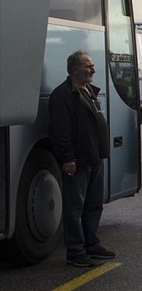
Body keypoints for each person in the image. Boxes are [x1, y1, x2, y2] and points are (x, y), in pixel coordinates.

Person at [48, 50, 115, 267]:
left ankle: (91, 245)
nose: (93, 70)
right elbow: (60, 130)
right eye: (88, 66)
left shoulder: (88, 91)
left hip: (94, 158)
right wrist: (68, 158)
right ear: (75, 69)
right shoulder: (63, 95)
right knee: (75, 208)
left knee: (94, 205)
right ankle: (76, 251)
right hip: (78, 161)